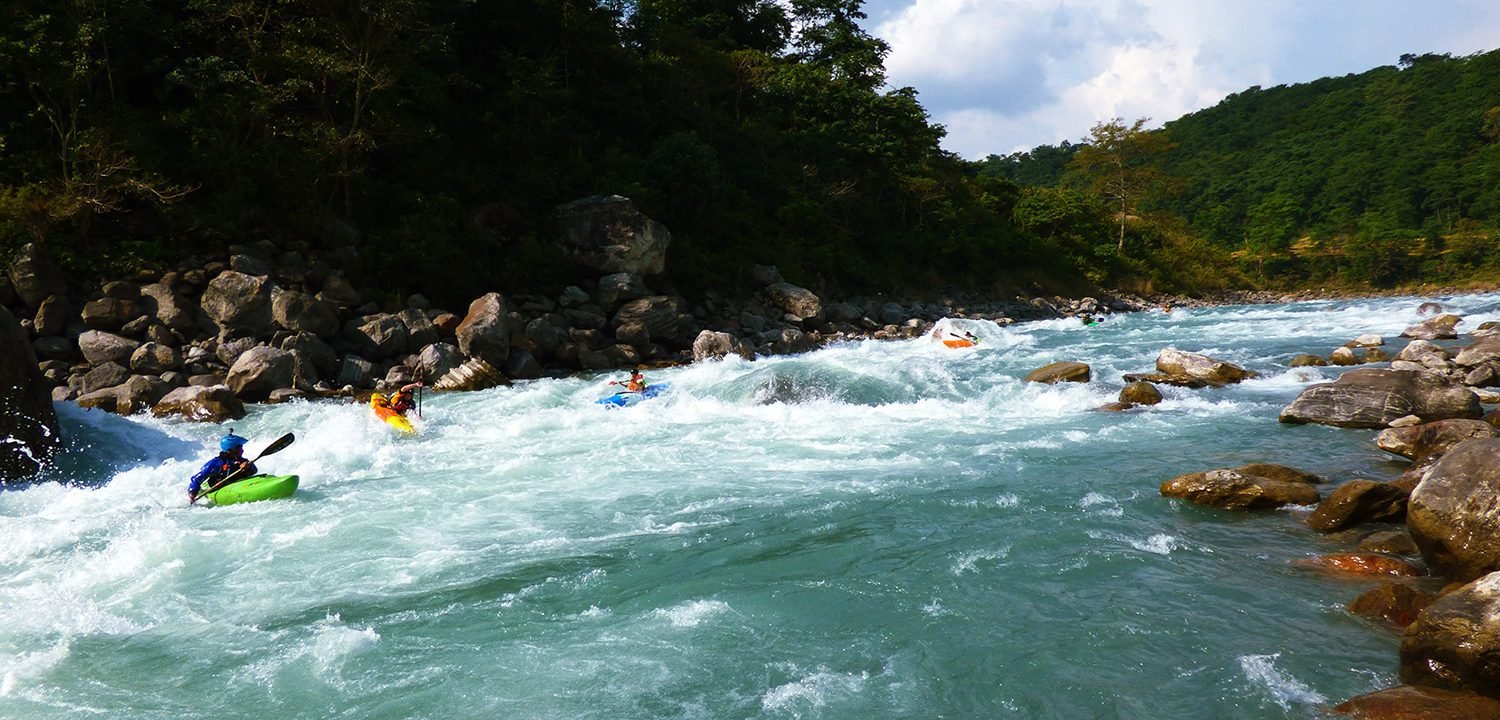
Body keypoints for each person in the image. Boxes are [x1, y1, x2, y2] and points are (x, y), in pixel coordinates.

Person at [189, 432, 257, 502]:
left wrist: (249, 466)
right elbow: (196, 479)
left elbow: (254, 471)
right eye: (240, 448)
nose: (242, 451)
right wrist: (192, 493)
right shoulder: (215, 463)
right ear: (231, 450)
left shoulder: (242, 461)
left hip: (238, 485)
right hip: (218, 488)